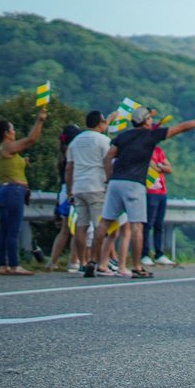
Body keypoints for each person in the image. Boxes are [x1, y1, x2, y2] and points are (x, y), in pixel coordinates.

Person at [86, 106, 195, 277]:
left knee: (105, 222)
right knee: (137, 226)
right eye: (149, 118)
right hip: (134, 184)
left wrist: (109, 178)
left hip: (115, 183)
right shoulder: (151, 135)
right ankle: (137, 267)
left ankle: (92, 261)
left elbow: (108, 157)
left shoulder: (123, 136)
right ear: (146, 121)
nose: (151, 120)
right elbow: (183, 127)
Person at [0, 105, 47, 275]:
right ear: (6, 133)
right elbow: (30, 139)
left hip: (3, 192)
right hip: (13, 192)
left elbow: (10, 166)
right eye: (12, 129)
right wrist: (39, 120)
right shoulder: (8, 147)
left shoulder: (3, 150)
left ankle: (1, 265)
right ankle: (14, 265)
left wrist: (22, 162)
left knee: (4, 229)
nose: (14, 132)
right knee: (13, 230)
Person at [68, 110, 112, 273]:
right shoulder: (103, 140)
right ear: (100, 123)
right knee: (100, 226)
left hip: (78, 187)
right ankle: (94, 260)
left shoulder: (75, 141)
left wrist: (69, 190)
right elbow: (108, 162)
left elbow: (69, 167)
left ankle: (83, 262)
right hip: (96, 186)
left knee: (81, 226)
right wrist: (109, 181)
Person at [49, 124, 82, 271]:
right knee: (77, 228)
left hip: (63, 191)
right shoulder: (74, 152)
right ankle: (73, 261)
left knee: (64, 230)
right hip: (73, 189)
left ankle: (52, 261)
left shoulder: (62, 153)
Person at [142, 116, 175, 267]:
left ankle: (159, 253)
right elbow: (153, 166)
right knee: (147, 224)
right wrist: (159, 166)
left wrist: (159, 166)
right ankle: (144, 253)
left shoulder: (158, 151)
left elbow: (169, 168)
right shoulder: (143, 150)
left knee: (159, 224)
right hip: (149, 191)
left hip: (161, 191)